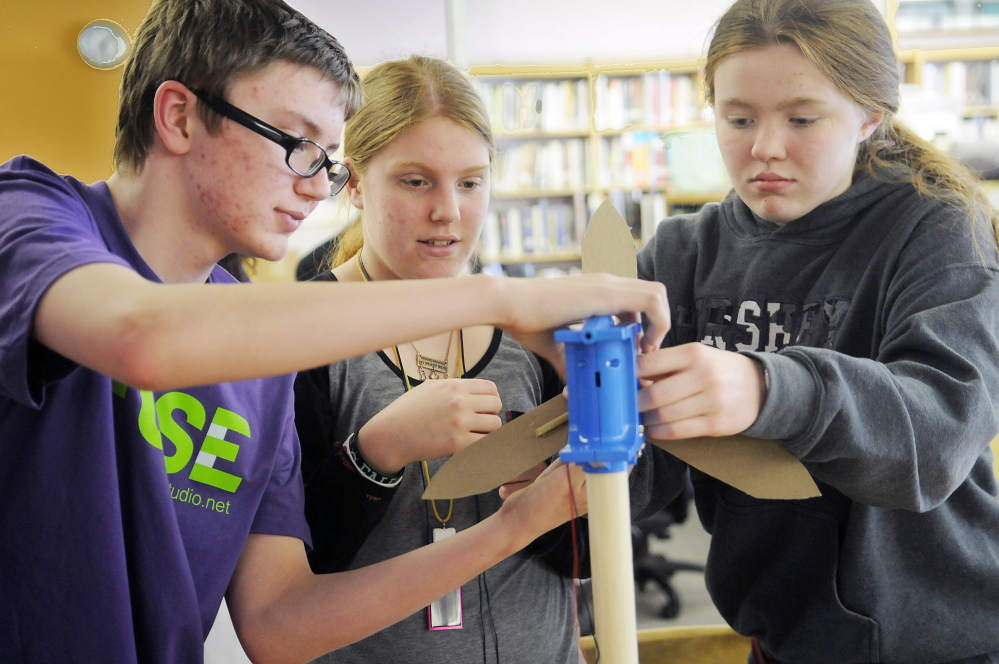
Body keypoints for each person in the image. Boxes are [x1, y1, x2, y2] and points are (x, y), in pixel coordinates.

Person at [0, 0, 673, 662]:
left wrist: (519, 523)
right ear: (179, 116)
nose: (313, 187)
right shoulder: (30, 213)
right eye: (296, 145)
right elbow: (140, 339)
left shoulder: (263, 353)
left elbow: (281, 624)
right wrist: (500, 298)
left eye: (325, 160)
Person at [635, 0, 999, 662]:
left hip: (937, 644)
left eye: (801, 119)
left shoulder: (936, 230)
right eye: (737, 118)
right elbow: (641, 468)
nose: (764, 148)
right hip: (780, 637)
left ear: (868, 116)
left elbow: (939, 435)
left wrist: (768, 389)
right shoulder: (681, 254)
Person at [294, 55, 653, 664]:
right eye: (416, 181)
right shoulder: (303, 336)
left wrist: (555, 498)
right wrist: (375, 454)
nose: (449, 212)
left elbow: (603, 550)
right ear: (354, 182)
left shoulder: (537, 333)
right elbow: (290, 570)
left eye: (470, 181)